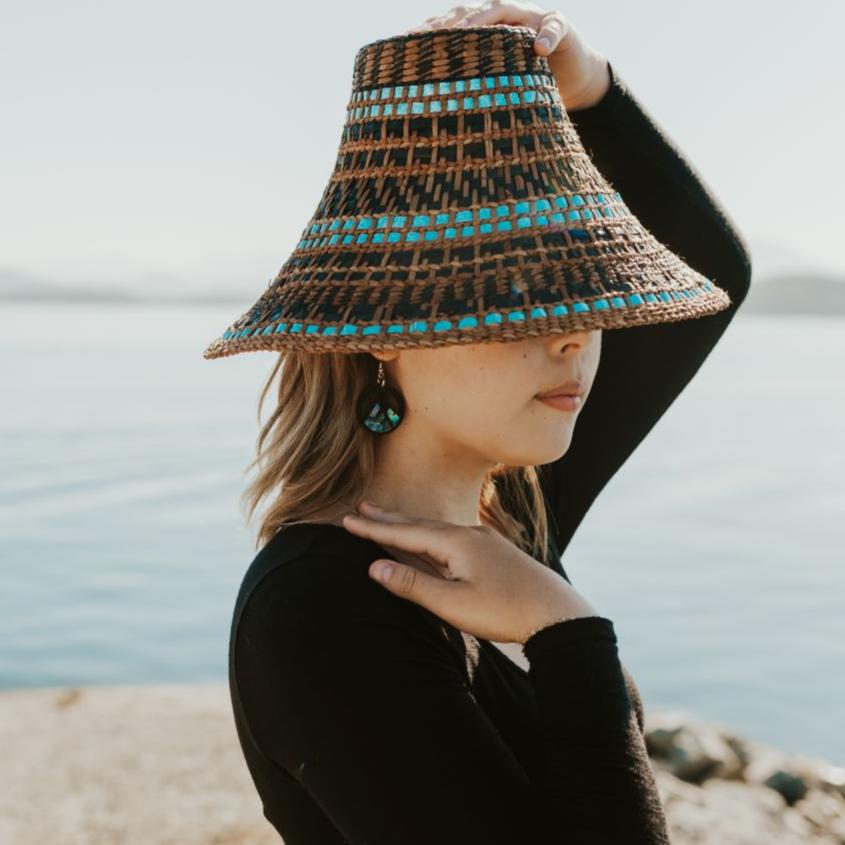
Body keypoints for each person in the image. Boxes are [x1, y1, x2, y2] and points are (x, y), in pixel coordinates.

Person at [204, 7, 752, 844]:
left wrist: (589, 87)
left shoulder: (510, 499)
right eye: (515, 300)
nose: (573, 333)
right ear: (380, 326)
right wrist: (564, 632)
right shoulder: (322, 610)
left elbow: (707, 271)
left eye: (587, 292)